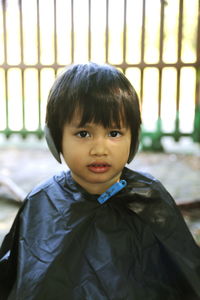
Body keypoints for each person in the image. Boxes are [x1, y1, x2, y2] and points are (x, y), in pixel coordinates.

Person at [0, 62, 200, 300]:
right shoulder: (42, 203)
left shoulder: (150, 200)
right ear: (55, 139)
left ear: (133, 139)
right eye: (83, 133)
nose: (99, 149)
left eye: (114, 133)